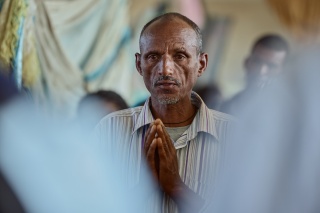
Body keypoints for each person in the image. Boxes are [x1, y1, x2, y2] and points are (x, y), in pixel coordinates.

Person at [95, 12, 234, 213]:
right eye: (153, 56)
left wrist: (176, 187)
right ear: (139, 64)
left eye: (180, 56)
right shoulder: (109, 130)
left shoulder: (235, 135)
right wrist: (145, 186)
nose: (166, 69)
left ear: (201, 64)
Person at [220, 34, 289, 115]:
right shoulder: (226, 107)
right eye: (257, 61)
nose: (261, 71)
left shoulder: (288, 116)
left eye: (271, 66)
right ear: (246, 62)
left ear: (283, 73)